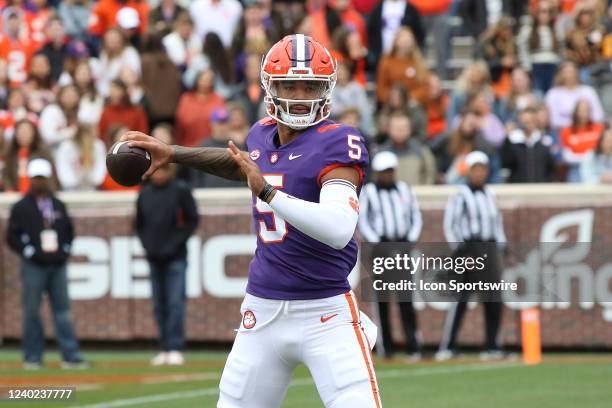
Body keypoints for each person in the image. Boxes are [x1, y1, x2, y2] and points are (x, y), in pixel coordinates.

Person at [123, 34, 381, 408]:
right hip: (262, 311)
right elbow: (243, 163)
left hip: (325, 311)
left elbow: (339, 228)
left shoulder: (338, 141)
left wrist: (268, 195)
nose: (299, 95)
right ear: (269, 86)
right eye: (289, 85)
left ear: (326, 89)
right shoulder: (261, 134)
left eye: (310, 86)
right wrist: (174, 153)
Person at [6, 158, 87, 370]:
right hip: (33, 265)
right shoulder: (21, 207)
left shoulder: (58, 204)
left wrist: (65, 249)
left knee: (63, 311)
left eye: (42, 178)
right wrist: (28, 251)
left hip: (57, 264)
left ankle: (71, 356)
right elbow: (11, 236)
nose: (39, 182)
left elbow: (69, 231)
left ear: (48, 179)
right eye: (36, 178)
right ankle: (33, 356)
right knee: (32, 311)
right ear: (30, 180)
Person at [136, 127, 199, 366]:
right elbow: (139, 224)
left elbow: (192, 220)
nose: (158, 174)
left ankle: (175, 346)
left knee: (174, 302)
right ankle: (163, 346)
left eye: (163, 169)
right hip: (154, 257)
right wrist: (147, 245)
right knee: (158, 304)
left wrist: (176, 242)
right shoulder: (145, 193)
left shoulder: (180, 189)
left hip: (175, 256)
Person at [437, 151, 507, 361]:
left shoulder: (490, 194)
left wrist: (501, 246)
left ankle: (492, 345)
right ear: (468, 171)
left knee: (494, 299)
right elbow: (451, 223)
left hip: (489, 247)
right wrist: (460, 249)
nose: (479, 173)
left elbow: (497, 223)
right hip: (469, 248)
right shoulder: (460, 193)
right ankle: (447, 346)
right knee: (461, 298)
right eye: (475, 169)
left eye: (482, 169)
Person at [358, 150, 423, 360]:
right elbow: (363, 220)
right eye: (383, 172)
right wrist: (376, 241)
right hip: (381, 248)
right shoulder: (369, 192)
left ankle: (413, 346)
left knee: (406, 298)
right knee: (383, 300)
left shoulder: (404, 189)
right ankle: (387, 348)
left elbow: (416, 216)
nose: (387, 175)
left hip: (402, 245)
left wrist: (409, 239)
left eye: (390, 171)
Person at [376, 27, 430, 108]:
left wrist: (410, 98)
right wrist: (395, 99)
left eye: (408, 38)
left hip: (413, 105)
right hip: (391, 105)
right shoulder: (386, 62)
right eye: (403, 38)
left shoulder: (418, 63)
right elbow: (381, 89)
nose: (406, 41)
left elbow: (425, 87)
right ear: (396, 41)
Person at [501, 106, 557, 182]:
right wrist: (507, 140)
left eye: (531, 121)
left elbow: (550, 168)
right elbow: (506, 163)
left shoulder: (544, 141)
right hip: (518, 187)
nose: (528, 124)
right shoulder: (513, 141)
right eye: (525, 121)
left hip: (540, 187)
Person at [517, 0, 561, 93]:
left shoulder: (555, 30)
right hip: (536, 67)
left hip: (553, 66)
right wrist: (527, 67)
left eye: (549, 12)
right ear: (536, 13)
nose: (546, 15)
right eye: (543, 11)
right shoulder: (528, 30)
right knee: (538, 94)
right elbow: (522, 49)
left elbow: (561, 50)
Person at [381, 111, 436, 185]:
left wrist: (424, 190)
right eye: (396, 128)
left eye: (403, 128)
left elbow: (430, 173)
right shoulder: (382, 153)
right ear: (389, 129)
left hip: (417, 194)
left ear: (410, 129)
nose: (400, 131)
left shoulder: (421, 150)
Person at [175, 68, 225, 147]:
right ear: (197, 80)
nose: (205, 82)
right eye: (203, 79)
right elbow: (179, 124)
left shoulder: (218, 99)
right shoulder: (186, 99)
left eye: (209, 80)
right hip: (188, 145)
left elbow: (222, 123)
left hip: (212, 147)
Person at [559, 99, 604, 182]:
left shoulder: (599, 128)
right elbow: (566, 156)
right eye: (581, 111)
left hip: (596, 166)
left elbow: (604, 150)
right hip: (576, 168)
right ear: (576, 112)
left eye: (587, 111)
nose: (584, 114)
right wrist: (587, 157)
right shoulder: (567, 131)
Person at [55, 124, 106, 191]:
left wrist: (90, 178)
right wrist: (77, 180)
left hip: (92, 188)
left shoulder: (98, 146)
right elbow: (64, 174)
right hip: (71, 189)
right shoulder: (66, 147)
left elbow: (100, 172)